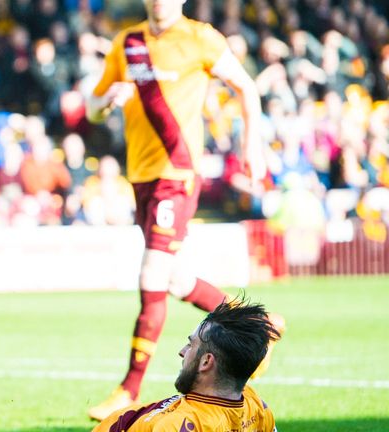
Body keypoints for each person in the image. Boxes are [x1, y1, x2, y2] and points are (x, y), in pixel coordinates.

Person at [85, 0, 278, 421]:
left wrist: (252, 146)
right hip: (141, 176)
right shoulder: (128, 42)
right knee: (171, 278)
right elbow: (93, 107)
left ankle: (128, 389)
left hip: (177, 171)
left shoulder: (200, 38)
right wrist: (108, 100)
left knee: (151, 274)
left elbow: (246, 86)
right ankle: (259, 326)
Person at [92, 297, 280, 432]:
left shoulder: (179, 425)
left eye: (191, 344)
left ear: (206, 362)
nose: (182, 351)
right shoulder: (255, 404)